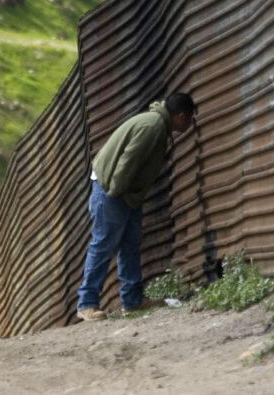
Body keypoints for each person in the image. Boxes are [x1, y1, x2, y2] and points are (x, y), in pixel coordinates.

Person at [76, 92, 197, 322]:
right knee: (103, 244)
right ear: (181, 117)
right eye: (190, 119)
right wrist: (114, 191)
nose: (190, 124)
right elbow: (128, 160)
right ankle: (87, 304)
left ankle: (132, 301)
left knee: (130, 244)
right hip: (113, 190)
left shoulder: (156, 124)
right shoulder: (152, 127)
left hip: (127, 194)